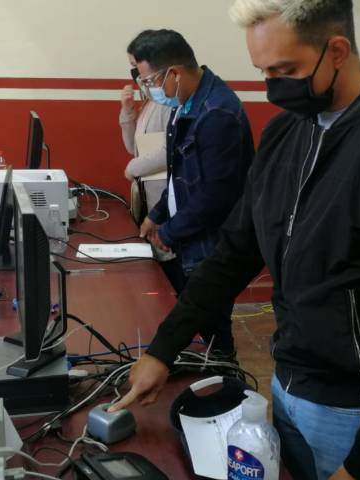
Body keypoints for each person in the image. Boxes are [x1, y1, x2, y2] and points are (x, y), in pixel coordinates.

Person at [110, 2, 360, 480]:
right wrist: (163, 348)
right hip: (288, 387)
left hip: (355, 410)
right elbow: (233, 254)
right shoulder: (286, 133)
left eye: (285, 70)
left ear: (337, 50)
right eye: (263, 71)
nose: (273, 86)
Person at [132, 29, 254, 354]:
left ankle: (225, 378)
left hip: (211, 245)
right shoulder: (185, 103)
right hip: (191, 237)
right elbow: (179, 174)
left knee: (212, 329)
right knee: (194, 320)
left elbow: (216, 196)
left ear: (173, 73)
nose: (149, 90)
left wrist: (170, 231)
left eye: (150, 81)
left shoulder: (217, 114)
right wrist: (157, 214)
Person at [120, 30, 173, 222]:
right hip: (148, 196)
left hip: (164, 197)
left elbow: (170, 150)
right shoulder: (150, 101)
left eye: (137, 66)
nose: (136, 73)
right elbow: (133, 148)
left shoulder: (169, 101)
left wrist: (133, 167)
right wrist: (127, 112)